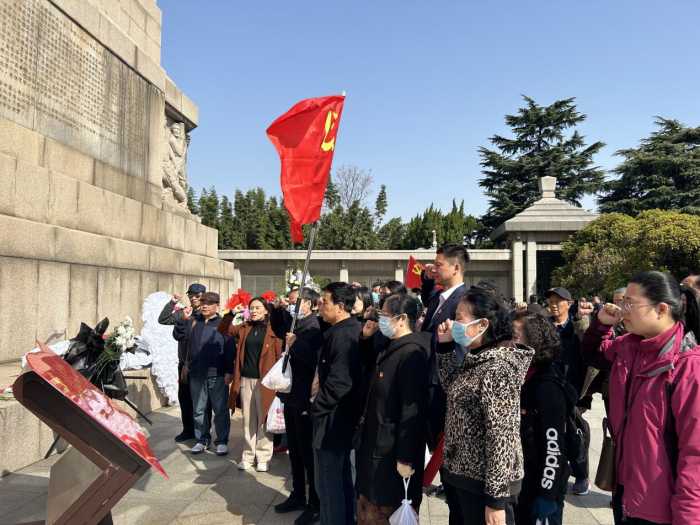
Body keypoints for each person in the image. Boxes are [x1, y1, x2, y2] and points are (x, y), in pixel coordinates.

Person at [581, 270, 700, 525]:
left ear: (661, 309)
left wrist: (688, 516)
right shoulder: (627, 346)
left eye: (630, 303)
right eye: (623, 302)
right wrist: (602, 324)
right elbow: (592, 354)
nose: (623, 310)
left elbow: (695, 452)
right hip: (625, 491)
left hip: (661, 507)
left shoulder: (688, 366)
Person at [436, 288, 533, 525]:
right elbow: (453, 388)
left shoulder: (497, 368)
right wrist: (445, 347)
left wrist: (496, 500)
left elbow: (502, 437)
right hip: (462, 475)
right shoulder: (478, 357)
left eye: (459, 318)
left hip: (483, 484)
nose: (452, 323)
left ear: (482, 324)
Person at [355, 294, 430, 523]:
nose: (382, 320)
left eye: (386, 315)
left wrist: (406, 458)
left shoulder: (412, 353)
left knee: (385, 507)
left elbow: (412, 411)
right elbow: (367, 368)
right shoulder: (391, 345)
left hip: (392, 452)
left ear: (402, 318)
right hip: (376, 442)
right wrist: (366, 339)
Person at [420, 243, 469, 522]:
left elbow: (461, 349)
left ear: (456, 267)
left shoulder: (464, 301)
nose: (433, 268)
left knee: (448, 457)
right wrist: (428, 281)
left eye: (438, 265)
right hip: (431, 382)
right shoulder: (441, 296)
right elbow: (430, 308)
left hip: (445, 386)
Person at [310, 282, 362, 525]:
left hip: (332, 420)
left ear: (340, 306)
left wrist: (316, 409)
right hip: (337, 418)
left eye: (325, 302)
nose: (320, 306)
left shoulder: (344, 335)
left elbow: (339, 382)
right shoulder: (342, 330)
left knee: (328, 486)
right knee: (341, 481)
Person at [271, 288, 324, 525]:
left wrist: (295, 344)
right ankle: (298, 494)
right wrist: (276, 310)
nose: (291, 306)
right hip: (290, 395)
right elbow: (278, 329)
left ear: (309, 304)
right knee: (294, 450)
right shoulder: (296, 323)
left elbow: (315, 359)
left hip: (305, 397)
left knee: (306, 453)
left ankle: (315, 502)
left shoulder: (315, 326)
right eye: (290, 302)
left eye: (295, 302)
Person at [512, 312, 571, 525]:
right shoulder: (519, 376)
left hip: (541, 488)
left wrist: (547, 494)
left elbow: (553, 446)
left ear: (534, 342)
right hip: (521, 484)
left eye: (515, 337)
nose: (509, 343)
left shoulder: (547, 387)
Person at [218, 297, 283, 471]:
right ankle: (247, 456)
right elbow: (223, 329)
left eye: (257, 308)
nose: (253, 311)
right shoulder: (244, 327)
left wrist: (277, 382)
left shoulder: (273, 329)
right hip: (245, 379)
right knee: (248, 419)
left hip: (266, 381)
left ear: (266, 310)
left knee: (263, 419)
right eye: (251, 308)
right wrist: (232, 313)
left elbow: (279, 357)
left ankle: (263, 457)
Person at [173, 292, 235, 455]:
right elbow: (179, 336)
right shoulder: (194, 321)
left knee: (220, 410)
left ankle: (221, 441)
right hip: (196, 373)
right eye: (203, 303)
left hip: (217, 373)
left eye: (209, 303)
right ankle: (202, 440)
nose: (205, 306)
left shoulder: (223, 324)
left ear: (217, 305)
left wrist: (229, 371)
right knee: (198, 410)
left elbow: (230, 350)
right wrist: (183, 320)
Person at [544, 286, 591, 495]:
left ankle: (581, 475)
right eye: (551, 301)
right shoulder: (544, 326)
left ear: (569, 304)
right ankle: (556, 473)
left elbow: (586, 365)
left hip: (571, 388)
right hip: (548, 388)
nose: (554, 305)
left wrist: (585, 400)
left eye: (558, 301)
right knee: (551, 435)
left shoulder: (576, 328)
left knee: (576, 434)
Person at [159, 283, 210, 442]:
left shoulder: (207, 314)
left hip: (201, 363)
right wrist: (172, 303)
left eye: (197, 296)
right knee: (185, 397)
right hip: (185, 363)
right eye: (191, 296)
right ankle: (188, 429)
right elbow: (163, 319)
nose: (193, 298)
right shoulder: (184, 312)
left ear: (203, 296)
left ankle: (203, 430)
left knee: (202, 400)